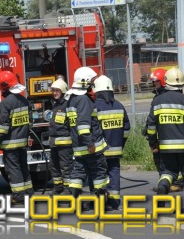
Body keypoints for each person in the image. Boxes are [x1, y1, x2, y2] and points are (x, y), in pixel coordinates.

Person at [146, 67, 184, 214]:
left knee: (167, 172)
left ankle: (162, 190)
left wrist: (153, 143)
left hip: (166, 148)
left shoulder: (157, 101)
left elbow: (151, 127)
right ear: (182, 84)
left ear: (166, 82)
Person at [65, 67, 109, 210]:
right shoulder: (84, 100)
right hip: (90, 146)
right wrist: (90, 143)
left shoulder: (71, 99)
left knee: (78, 173)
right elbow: (83, 125)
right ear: (86, 83)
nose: (93, 84)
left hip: (78, 147)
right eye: (91, 81)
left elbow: (69, 124)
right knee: (98, 174)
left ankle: (74, 198)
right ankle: (99, 203)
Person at [0, 71, 34, 204]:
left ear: (5, 87)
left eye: (0, 87)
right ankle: (29, 193)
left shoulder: (5, 104)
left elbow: (3, 127)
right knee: (23, 168)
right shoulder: (24, 101)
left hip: (10, 144)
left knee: (13, 169)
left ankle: (19, 196)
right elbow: (29, 122)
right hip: (22, 142)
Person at [93, 75, 130, 211]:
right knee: (114, 173)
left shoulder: (95, 107)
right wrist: (121, 143)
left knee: (100, 175)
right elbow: (127, 128)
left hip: (101, 150)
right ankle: (114, 203)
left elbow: (94, 130)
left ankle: (100, 202)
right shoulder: (119, 106)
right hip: (116, 149)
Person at [145, 68, 184, 193]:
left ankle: (173, 183)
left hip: (165, 137)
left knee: (163, 161)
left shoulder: (161, 98)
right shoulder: (162, 96)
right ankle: (169, 182)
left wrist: (152, 140)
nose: (153, 84)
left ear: (162, 82)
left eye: (155, 82)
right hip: (167, 135)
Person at [48, 77, 73, 195]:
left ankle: (68, 189)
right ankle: (58, 188)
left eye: (57, 91)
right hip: (54, 142)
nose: (55, 93)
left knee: (66, 167)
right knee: (54, 166)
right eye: (53, 91)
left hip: (64, 144)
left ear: (63, 91)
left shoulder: (67, 105)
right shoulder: (55, 105)